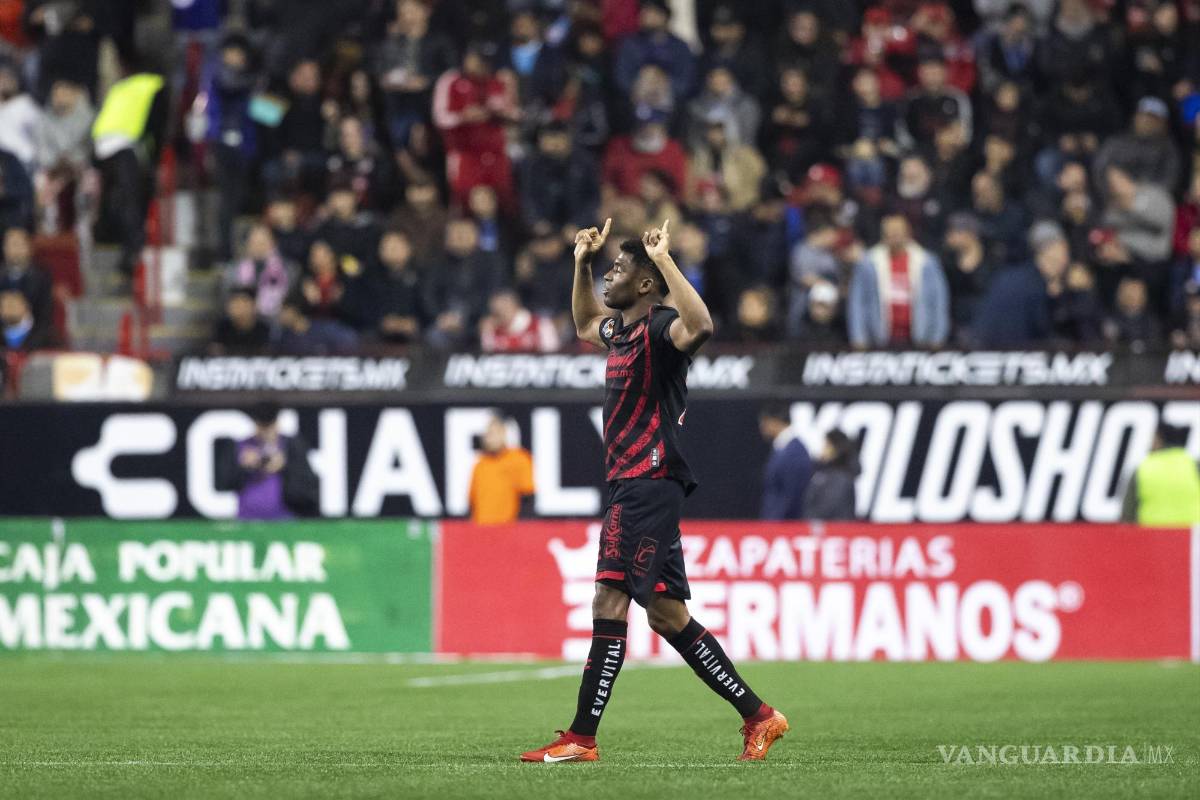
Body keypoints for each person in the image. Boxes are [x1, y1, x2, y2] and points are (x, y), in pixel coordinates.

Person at [521, 217, 787, 764]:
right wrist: (581, 263)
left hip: (647, 480)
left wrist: (664, 259)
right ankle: (760, 716)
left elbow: (704, 324)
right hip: (640, 485)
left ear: (645, 285)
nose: (607, 278)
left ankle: (581, 737)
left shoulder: (664, 329)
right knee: (666, 616)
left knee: (608, 598)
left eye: (617, 270)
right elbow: (583, 324)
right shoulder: (620, 331)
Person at [847, 212, 950, 348]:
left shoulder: (926, 262)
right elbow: (857, 302)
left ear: (907, 233)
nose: (894, 236)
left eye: (897, 231)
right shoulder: (869, 263)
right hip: (880, 339)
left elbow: (939, 301)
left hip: (920, 338)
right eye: (889, 232)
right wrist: (858, 337)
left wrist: (938, 337)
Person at [215, 401, 318, 521]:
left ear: (276, 423)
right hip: (247, 519)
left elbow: (309, 484)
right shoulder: (242, 446)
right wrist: (243, 467)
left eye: (269, 426)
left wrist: (285, 466)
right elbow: (223, 483)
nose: (266, 432)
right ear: (255, 424)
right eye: (262, 426)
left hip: (284, 519)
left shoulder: (291, 446)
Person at [1120, 424, 1200, 527]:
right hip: (1191, 537)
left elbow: (1128, 515)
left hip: (1153, 537)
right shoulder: (1194, 465)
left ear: (1159, 439)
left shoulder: (1143, 469)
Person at [466, 413, 535, 525]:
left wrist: (521, 529)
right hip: (482, 529)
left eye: (494, 433)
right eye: (488, 434)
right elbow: (472, 502)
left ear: (503, 433)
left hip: (507, 529)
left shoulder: (518, 459)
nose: (490, 439)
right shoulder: (480, 465)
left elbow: (527, 497)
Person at [758, 403, 812, 521]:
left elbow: (792, 493)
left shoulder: (794, 451)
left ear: (775, 421)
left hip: (783, 523)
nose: (762, 427)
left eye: (765, 422)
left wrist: (777, 522)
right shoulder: (782, 447)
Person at [803, 430, 860, 521]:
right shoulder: (824, 472)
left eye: (826, 446)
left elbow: (826, 509)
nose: (822, 450)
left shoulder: (840, 477)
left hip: (832, 532)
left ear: (837, 450)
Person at [208, 288, 271, 356]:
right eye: (236, 304)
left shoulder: (265, 329)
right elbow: (215, 351)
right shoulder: (222, 327)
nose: (240, 309)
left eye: (244, 304)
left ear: (254, 306)